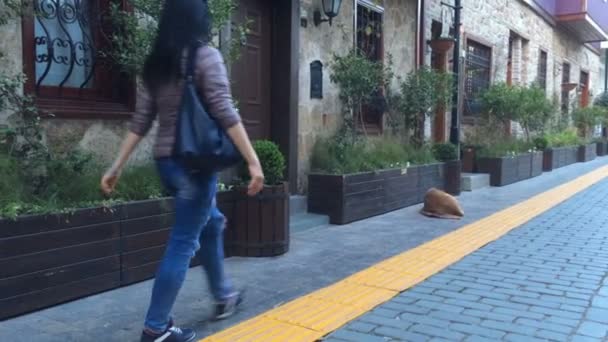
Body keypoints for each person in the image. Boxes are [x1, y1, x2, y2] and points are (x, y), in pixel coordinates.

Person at [100, 0, 264, 341]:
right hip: (195, 163)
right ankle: (156, 328)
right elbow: (223, 110)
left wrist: (116, 165)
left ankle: (224, 296)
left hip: (167, 164)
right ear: (200, 19)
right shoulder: (205, 57)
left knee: (212, 221)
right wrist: (252, 159)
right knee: (184, 240)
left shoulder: (158, 63)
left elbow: (141, 121)